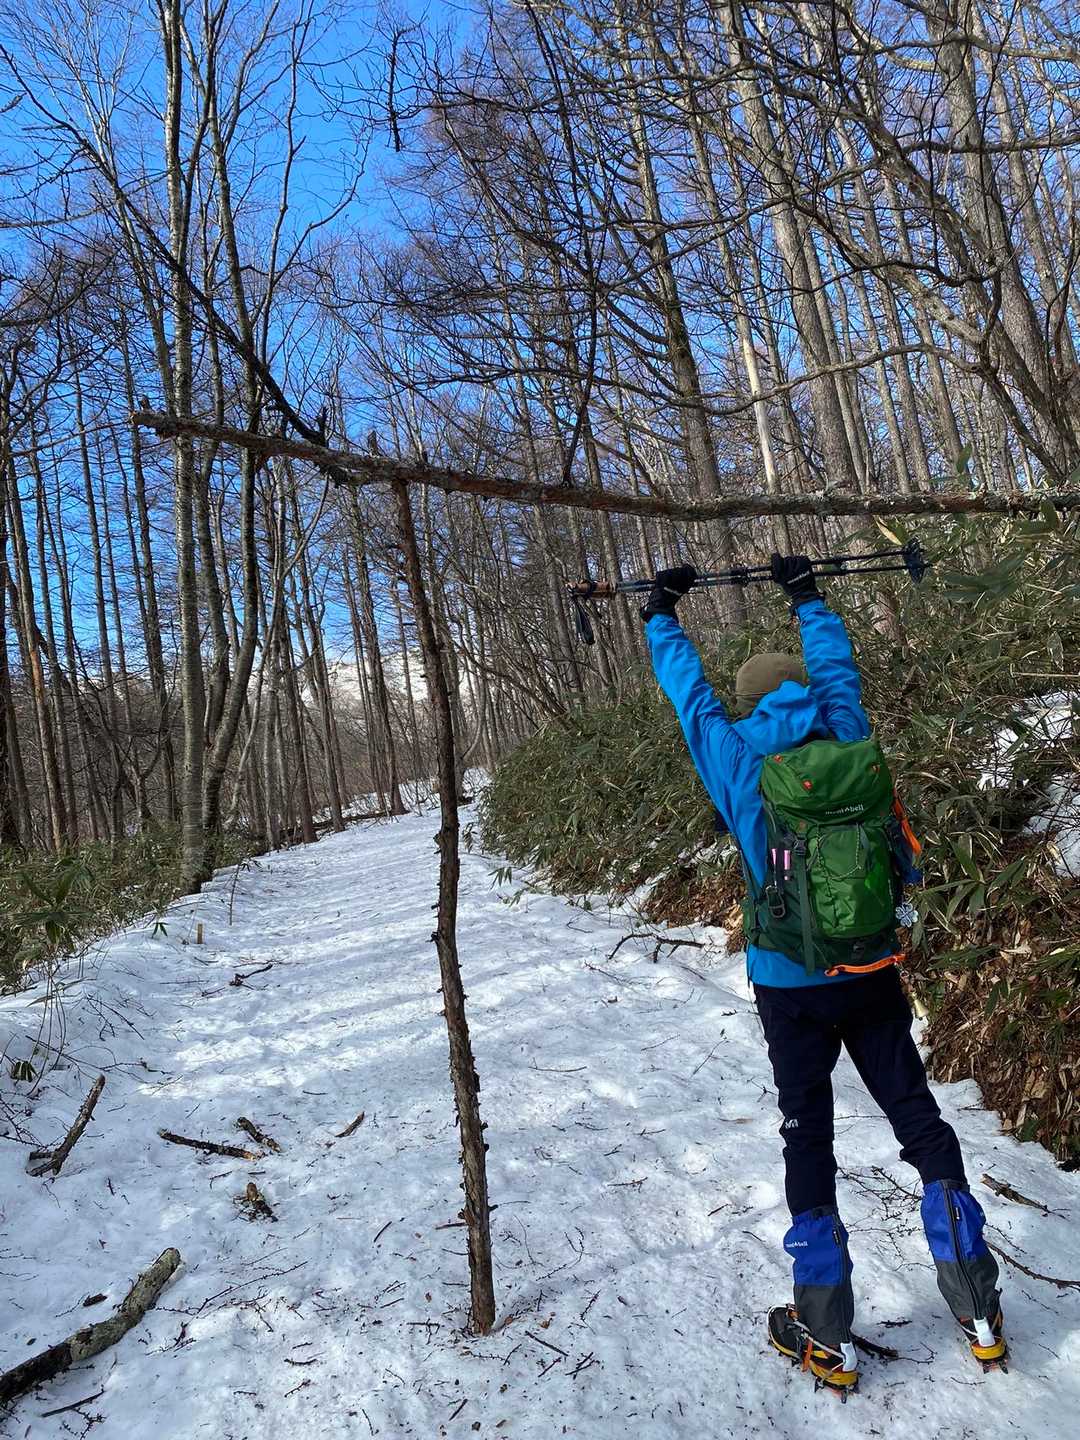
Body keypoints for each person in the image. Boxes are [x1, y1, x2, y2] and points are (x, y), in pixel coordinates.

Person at [640, 554, 1005, 1394]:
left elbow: (690, 699)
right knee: (918, 1120)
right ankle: (979, 1308)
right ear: (804, 692)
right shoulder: (846, 730)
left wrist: (662, 615)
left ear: (750, 704)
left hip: (789, 983)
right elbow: (840, 670)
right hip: (872, 969)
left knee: (808, 1135)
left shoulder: (737, 758)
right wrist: (806, 596)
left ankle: (828, 1332)